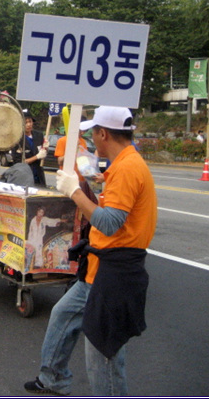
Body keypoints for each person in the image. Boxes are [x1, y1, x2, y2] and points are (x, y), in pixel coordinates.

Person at [25, 106, 157, 396]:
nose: (92, 139)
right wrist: (92, 187)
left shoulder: (127, 168)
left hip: (115, 274)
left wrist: (74, 191)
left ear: (103, 133)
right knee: (62, 314)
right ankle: (53, 378)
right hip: (99, 268)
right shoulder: (121, 164)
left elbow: (109, 223)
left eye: (93, 133)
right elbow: (112, 213)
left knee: (103, 354)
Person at [11, 110, 48, 186]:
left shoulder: (39, 135)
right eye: (25, 122)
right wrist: (37, 157)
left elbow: (43, 154)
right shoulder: (16, 139)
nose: (28, 124)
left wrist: (45, 148)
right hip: (24, 177)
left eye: (30, 121)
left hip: (38, 176)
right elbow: (20, 162)